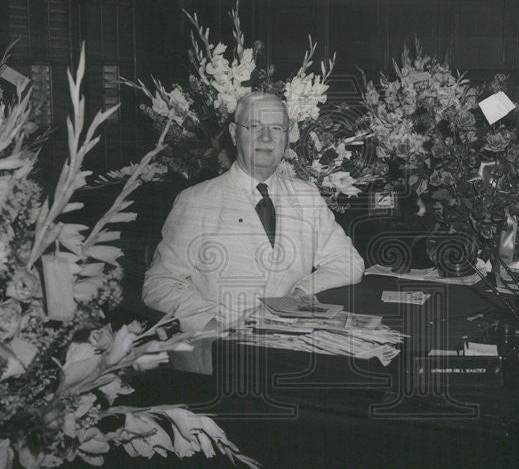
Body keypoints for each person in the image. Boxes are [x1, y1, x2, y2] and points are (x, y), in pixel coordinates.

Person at [143, 91, 364, 333]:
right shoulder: (196, 200)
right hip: (221, 345)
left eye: (276, 128)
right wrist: (210, 323)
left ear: (288, 136)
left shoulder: (306, 195)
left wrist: (301, 293)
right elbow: (159, 284)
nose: (266, 138)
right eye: (254, 126)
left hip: (291, 343)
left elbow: (348, 262)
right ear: (233, 134)